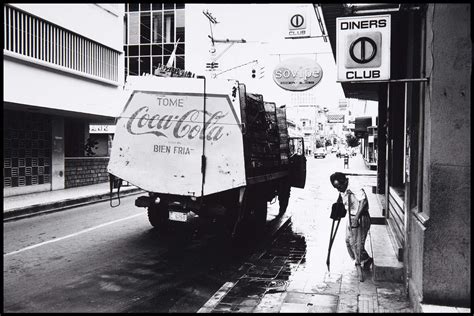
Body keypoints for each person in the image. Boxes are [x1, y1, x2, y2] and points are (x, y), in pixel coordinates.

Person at [330, 172, 373, 282]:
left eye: (339, 186)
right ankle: (365, 259)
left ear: (344, 182)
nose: (338, 189)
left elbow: (363, 201)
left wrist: (356, 217)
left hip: (360, 218)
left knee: (357, 244)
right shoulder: (342, 189)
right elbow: (342, 200)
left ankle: (360, 261)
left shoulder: (354, 185)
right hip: (350, 216)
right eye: (335, 187)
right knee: (348, 242)